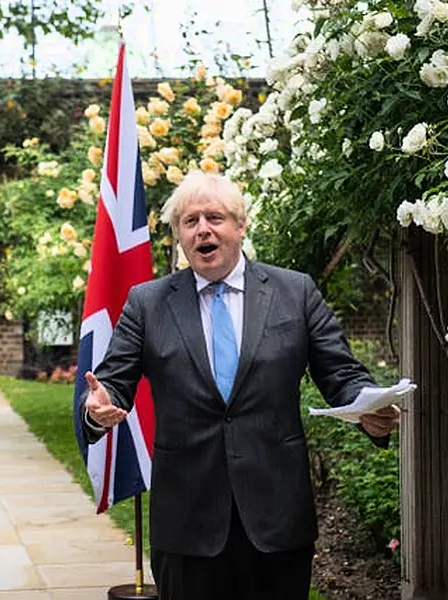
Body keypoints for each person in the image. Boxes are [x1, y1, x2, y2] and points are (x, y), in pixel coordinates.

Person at [81, 171, 399, 599]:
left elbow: (340, 373)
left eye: (214, 217)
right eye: (189, 222)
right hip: (187, 523)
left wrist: (367, 410)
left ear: (240, 225)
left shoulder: (295, 292)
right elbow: (111, 383)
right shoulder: (147, 303)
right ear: (179, 235)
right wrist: (97, 409)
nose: (202, 230)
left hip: (277, 517)